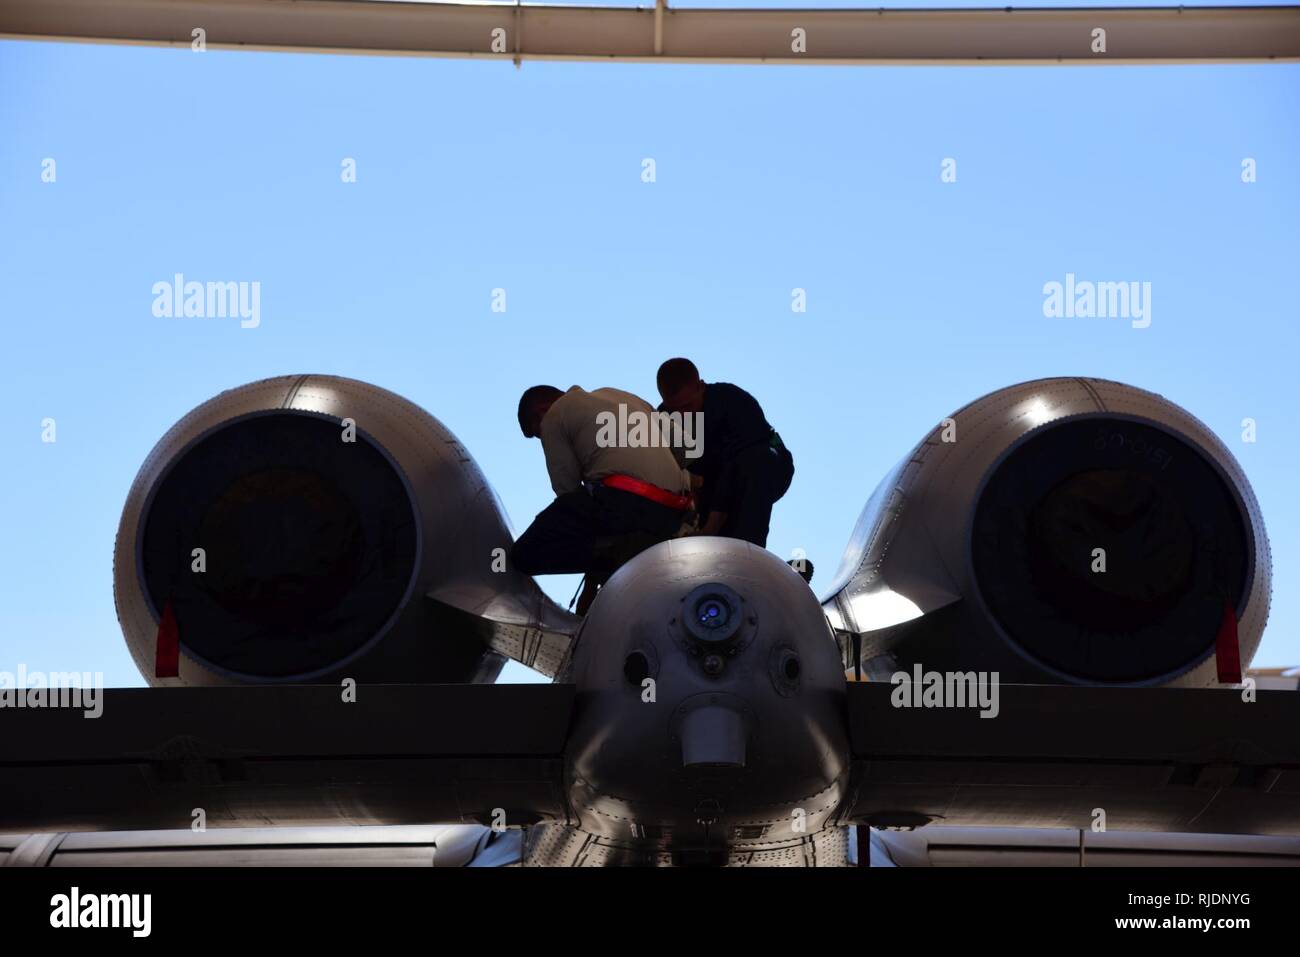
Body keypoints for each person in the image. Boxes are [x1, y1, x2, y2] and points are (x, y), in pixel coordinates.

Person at [512, 384, 692, 613]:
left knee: (524, 554)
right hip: (673, 514)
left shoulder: (554, 415)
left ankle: (615, 558)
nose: (543, 438)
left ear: (541, 411)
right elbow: (686, 448)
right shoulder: (624, 396)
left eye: (538, 434)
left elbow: (566, 490)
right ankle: (617, 554)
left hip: (625, 506)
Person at [656, 358, 793, 549]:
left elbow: (733, 468)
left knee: (753, 466)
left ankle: (751, 556)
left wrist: (710, 528)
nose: (682, 415)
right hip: (710, 483)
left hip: (767, 464)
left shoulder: (733, 401)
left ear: (700, 387)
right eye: (675, 409)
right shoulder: (663, 420)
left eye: (687, 406)